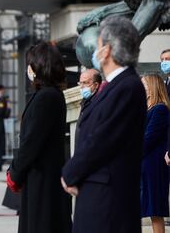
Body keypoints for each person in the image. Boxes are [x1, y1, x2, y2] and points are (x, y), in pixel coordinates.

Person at [61, 16, 147, 233]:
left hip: (108, 201)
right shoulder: (116, 86)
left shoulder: (127, 86)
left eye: (98, 45)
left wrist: (70, 172)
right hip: (99, 195)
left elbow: (101, 138)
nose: (95, 52)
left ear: (107, 50)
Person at [7, 42, 71, 233]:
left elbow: (31, 143)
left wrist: (15, 172)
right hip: (41, 177)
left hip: (42, 179)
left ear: (38, 66)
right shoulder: (48, 94)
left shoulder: (47, 97)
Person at [140, 74, 170, 233]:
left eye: (143, 85)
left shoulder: (160, 109)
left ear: (152, 87)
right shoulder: (146, 109)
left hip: (153, 166)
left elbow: (148, 138)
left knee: (155, 210)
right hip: (144, 163)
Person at [75, 69, 102, 148]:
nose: (81, 86)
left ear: (96, 85)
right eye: (80, 83)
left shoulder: (98, 103)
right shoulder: (86, 102)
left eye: (85, 83)